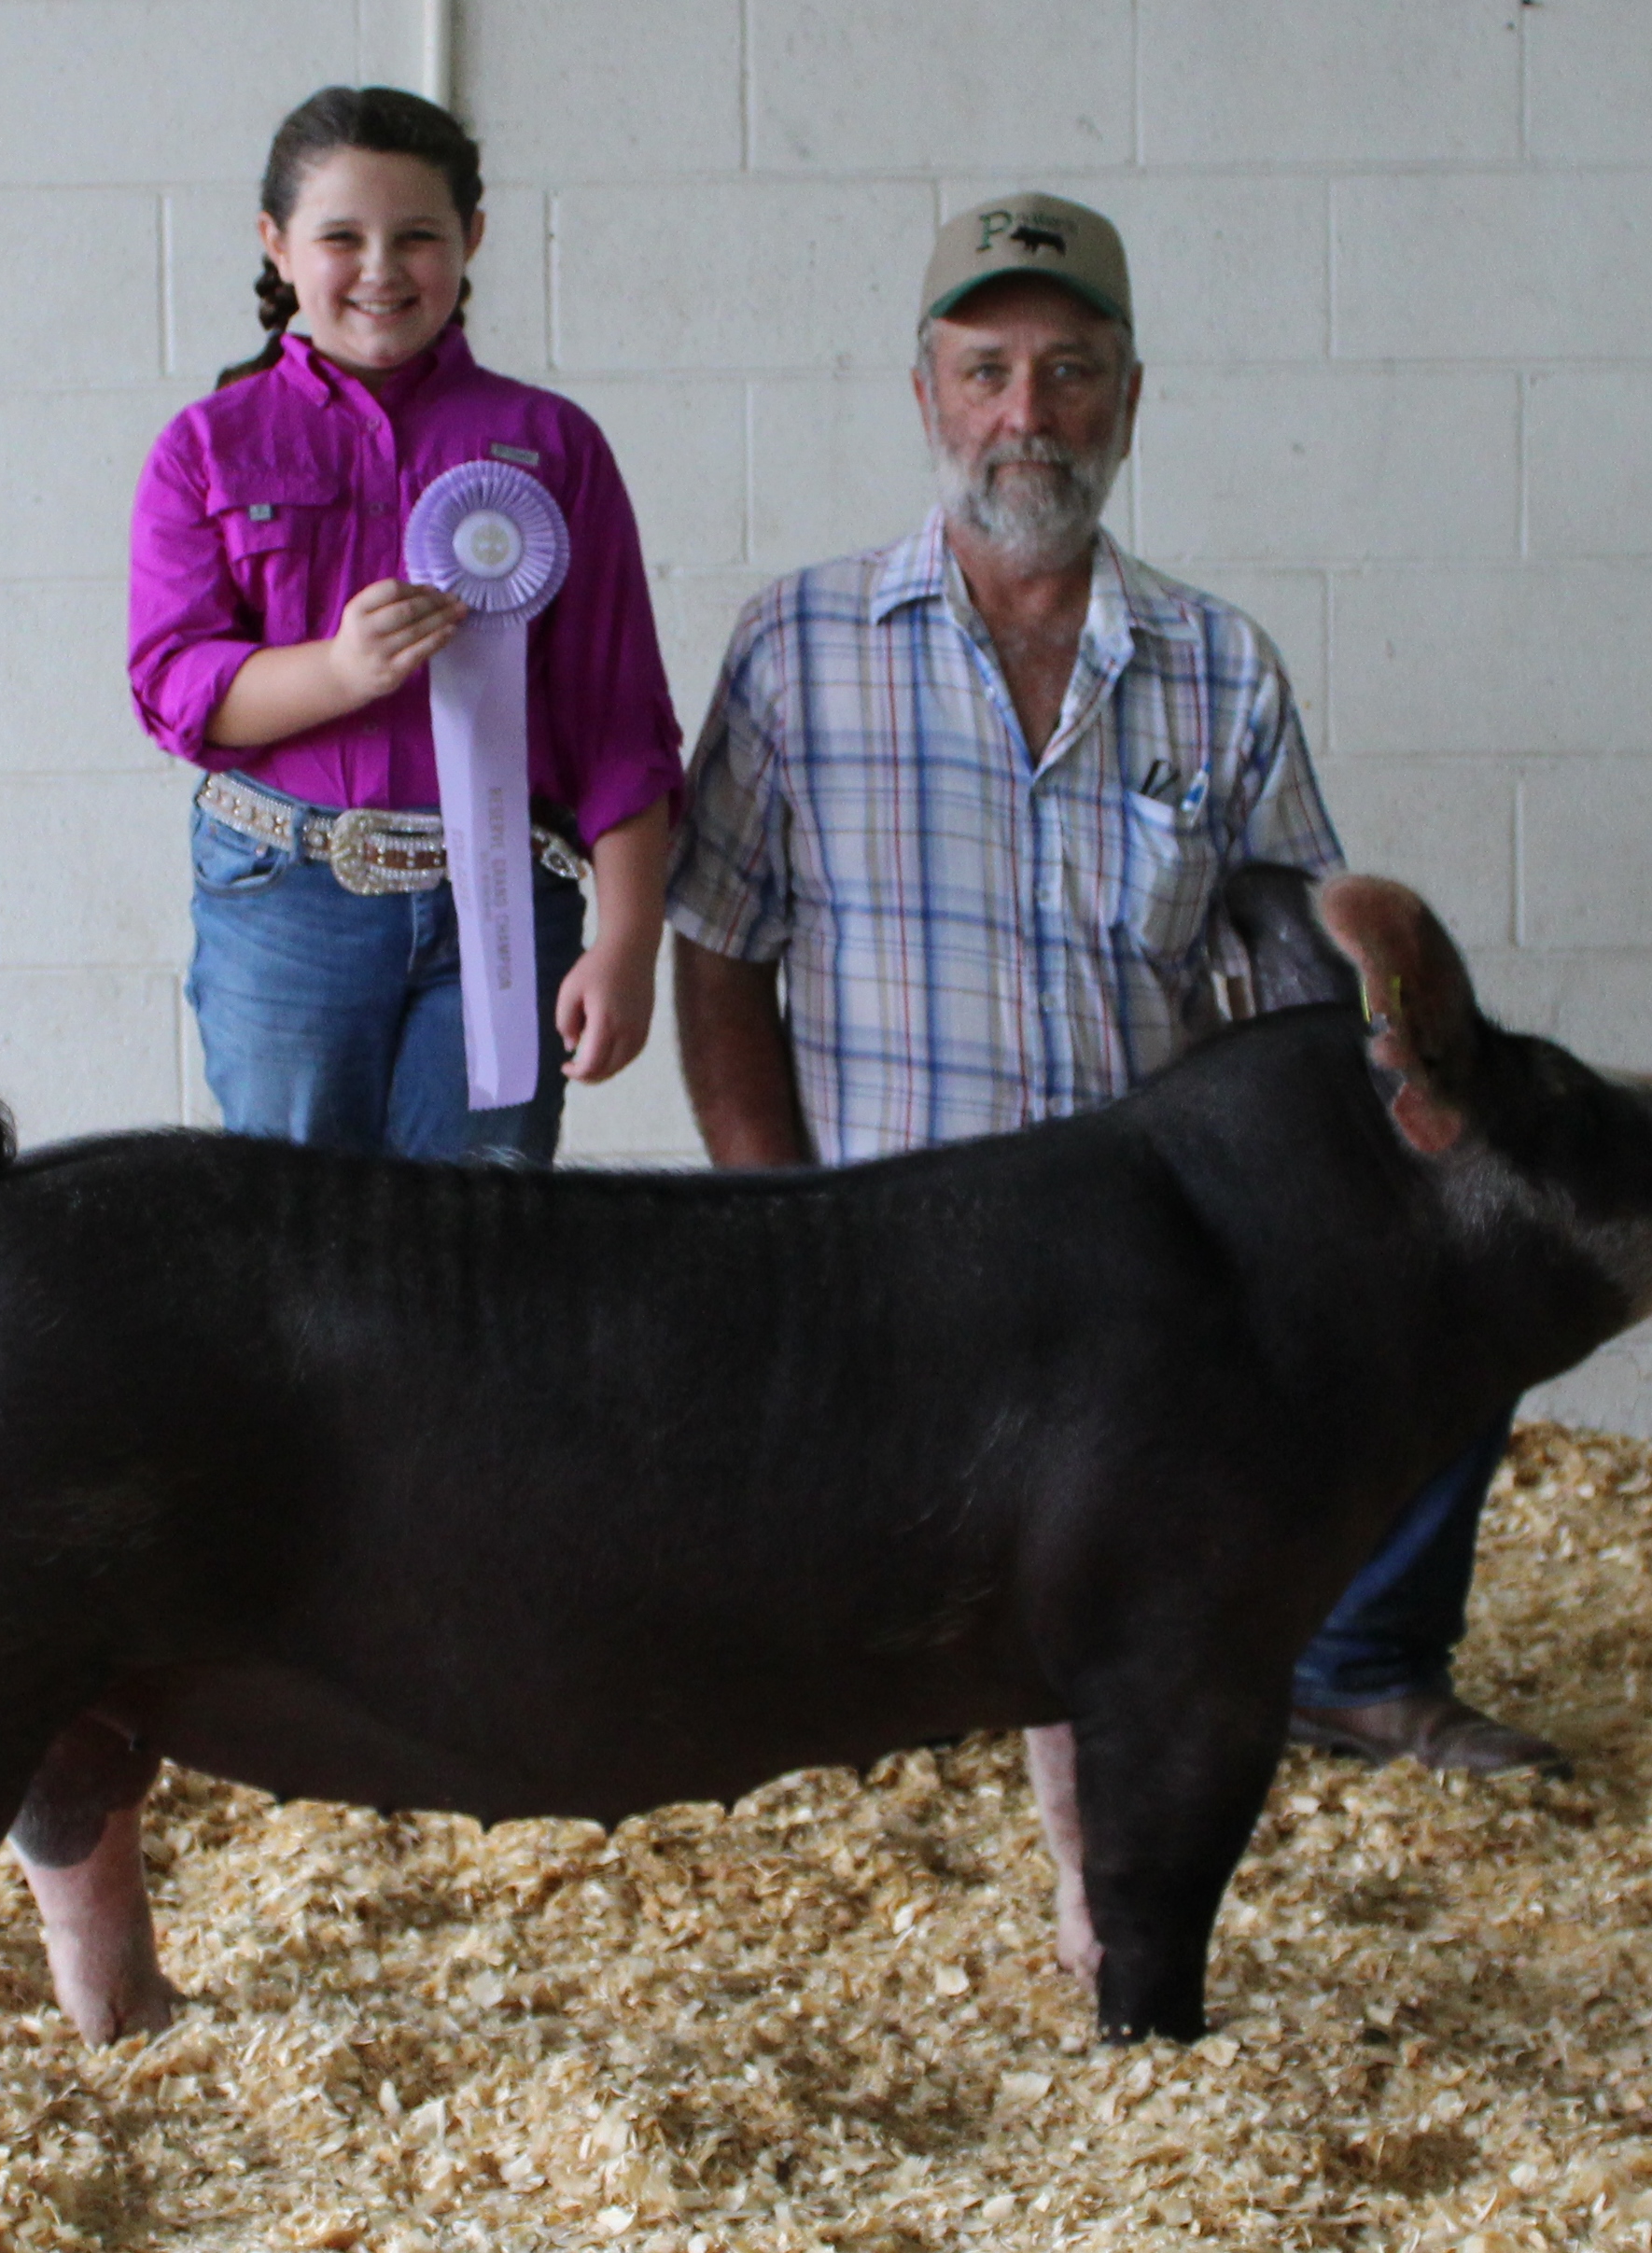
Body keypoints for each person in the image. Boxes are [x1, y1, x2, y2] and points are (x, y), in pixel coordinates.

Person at [665, 191, 1564, 1781]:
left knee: (1490, 1259)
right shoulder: (794, 647)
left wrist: (1398, 1063)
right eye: (986, 369)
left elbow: (1294, 974)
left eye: (1071, 370)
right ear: (925, 393)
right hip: (890, 1258)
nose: (1027, 413)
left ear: (1129, 401)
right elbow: (723, 953)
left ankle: (1355, 1666)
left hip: (1139, 1275)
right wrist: (773, 1232)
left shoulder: (1218, 664)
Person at [130, 87, 680, 1163]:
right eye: (340, 236)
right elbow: (173, 687)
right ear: (276, 247)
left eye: (417, 235)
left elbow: (621, 720)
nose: (380, 269)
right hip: (287, 903)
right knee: (295, 1244)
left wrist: (628, 939)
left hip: (505, 917)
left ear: (470, 240)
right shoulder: (206, 446)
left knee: (472, 1255)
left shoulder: (551, 445)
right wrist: (337, 671)